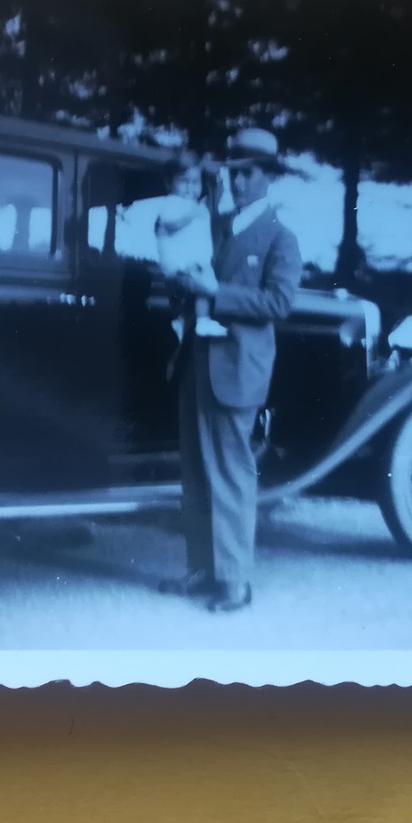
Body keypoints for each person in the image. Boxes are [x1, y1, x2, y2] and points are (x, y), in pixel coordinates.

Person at [160, 127, 303, 613]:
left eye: (247, 174)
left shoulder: (280, 238)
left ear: (267, 179)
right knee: (196, 472)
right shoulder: (215, 226)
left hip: (237, 368)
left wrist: (213, 291)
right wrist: (182, 281)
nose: (237, 182)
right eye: (233, 173)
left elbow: (280, 302)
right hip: (197, 362)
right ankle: (203, 569)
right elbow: (191, 275)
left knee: (231, 473)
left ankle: (236, 581)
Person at [154, 152, 227, 339]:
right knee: (205, 288)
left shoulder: (195, 205)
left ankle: (186, 322)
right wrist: (192, 215)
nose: (190, 187)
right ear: (169, 183)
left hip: (195, 261)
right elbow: (170, 225)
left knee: (201, 291)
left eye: (195, 182)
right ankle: (195, 321)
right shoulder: (171, 203)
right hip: (181, 262)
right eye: (184, 181)